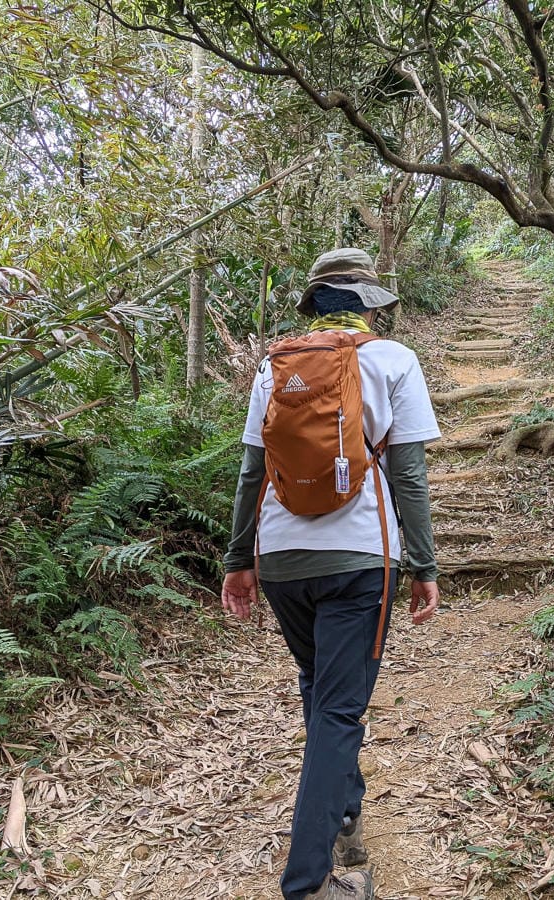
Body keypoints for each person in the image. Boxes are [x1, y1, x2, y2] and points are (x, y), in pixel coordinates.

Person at [221, 248, 442, 900]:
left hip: (284, 559)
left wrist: (238, 561)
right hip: (361, 562)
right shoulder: (394, 360)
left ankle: (345, 816)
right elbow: (407, 476)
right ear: (371, 303)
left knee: (321, 688)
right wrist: (424, 565)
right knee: (340, 710)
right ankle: (308, 882)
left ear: (314, 304)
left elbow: (250, 475)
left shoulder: (275, 367)